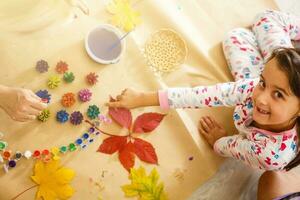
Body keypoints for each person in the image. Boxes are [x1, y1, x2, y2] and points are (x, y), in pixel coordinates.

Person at [106, 10, 300, 172]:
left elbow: (228, 146)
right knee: (248, 29)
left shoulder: (269, 155)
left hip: (283, 72)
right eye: (263, 83)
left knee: (239, 37)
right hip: (281, 64)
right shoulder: (253, 88)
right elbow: (204, 95)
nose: (260, 98)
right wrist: (142, 98)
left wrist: (220, 142)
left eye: (279, 94)